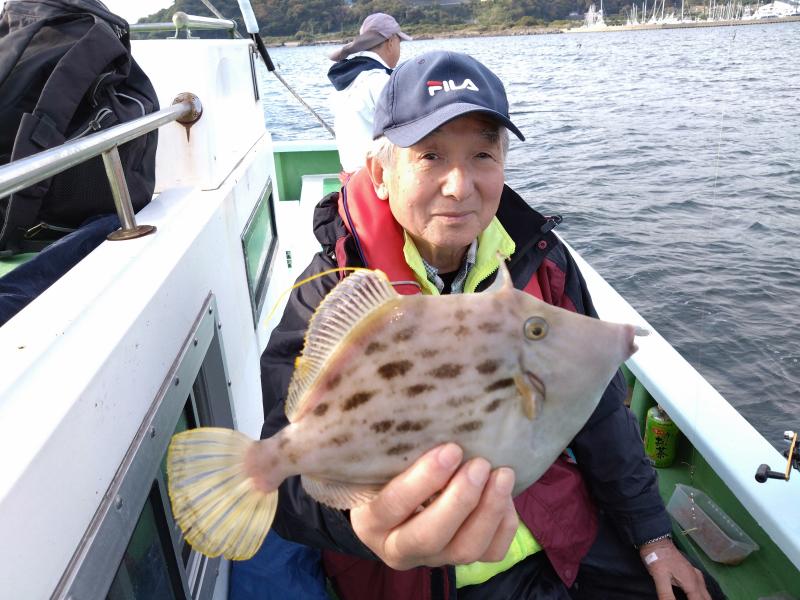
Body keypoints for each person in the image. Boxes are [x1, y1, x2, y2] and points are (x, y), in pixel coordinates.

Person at [260, 50, 725, 599]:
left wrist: (654, 538)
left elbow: (599, 409)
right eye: (430, 155)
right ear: (382, 174)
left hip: (558, 532)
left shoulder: (541, 261)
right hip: (427, 573)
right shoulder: (328, 287)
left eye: (483, 154)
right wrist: (363, 524)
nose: (460, 185)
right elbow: (288, 483)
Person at [327, 13, 411, 173]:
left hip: (351, 178)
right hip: (375, 179)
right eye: (399, 42)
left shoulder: (347, 77)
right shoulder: (380, 80)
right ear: (391, 41)